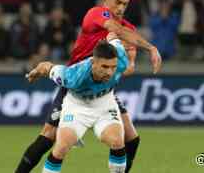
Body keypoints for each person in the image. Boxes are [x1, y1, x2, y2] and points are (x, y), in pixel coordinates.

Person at [14, 0, 162, 173]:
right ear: (105, 0)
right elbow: (115, 30)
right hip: (75, 84)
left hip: (103, 88)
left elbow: (129, 66)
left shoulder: (128, 30)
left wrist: (116, 69)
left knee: (131, 139)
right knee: (48, 137)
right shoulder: (97, 15)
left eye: (125, 4)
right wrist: (150, 47)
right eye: (117, 2)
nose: (121, 8)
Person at [26, 34, 133, 173]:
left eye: (113, 67)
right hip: (77, 107)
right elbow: (47, 67)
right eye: (105, 67)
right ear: (93, 62)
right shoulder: (74, 76)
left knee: (117, 142)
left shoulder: (121, 60)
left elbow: (113, 36)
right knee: (61, 147)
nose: (110, 72)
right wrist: (36, 71)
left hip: (105, 103)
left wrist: (112, 37)